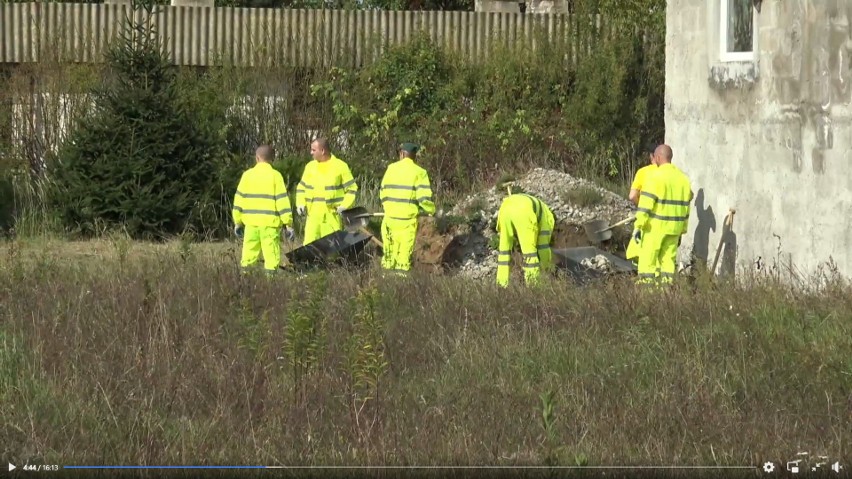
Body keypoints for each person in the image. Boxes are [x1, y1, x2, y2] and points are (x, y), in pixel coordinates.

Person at [632, 144, 692, 285]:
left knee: (648, 262)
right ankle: (665, 294)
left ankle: (648, 295)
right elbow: (686, 207)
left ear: (658, 157)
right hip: (674, 229)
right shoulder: (683, 179)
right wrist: (683, 228)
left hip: (655, 228)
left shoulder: (654, 177)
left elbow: (645, 206)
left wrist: (638, 226)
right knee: (668, 264)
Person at [232, 145, 295, 275]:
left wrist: (237, 221)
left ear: (257, 158)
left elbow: (238, 200)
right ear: (272, 159)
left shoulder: (247, 175)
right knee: (271, 258)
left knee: (248, 257)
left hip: (251, 224)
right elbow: (282, 201)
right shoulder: (275, 176)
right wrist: (288, 224)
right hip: (270, 225)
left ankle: (246, 283)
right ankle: (270, 286)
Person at [378, 142, 436, 275]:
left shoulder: (391, 168)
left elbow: (383, 193)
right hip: (407, 221)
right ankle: (400, 286)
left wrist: (389, 208)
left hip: (389, 220)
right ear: (413, 156)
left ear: (402, 154)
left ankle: (385, 283)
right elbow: (424, 198)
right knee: (403, 258)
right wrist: (431, 210)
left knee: (388, 255)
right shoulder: (419, 172)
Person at [295, 138, 358, 245]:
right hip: (313, 216)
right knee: (310, 247)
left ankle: (331, 262)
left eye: (314, 150)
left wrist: (344, 206)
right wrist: (300, 203)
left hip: (331, 216)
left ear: (322, 151)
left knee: (332, 248)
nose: (311, 153)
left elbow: (352, 189)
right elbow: (301, 188)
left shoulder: (340, 166)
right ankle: (310, 262)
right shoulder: (310, 167)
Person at [495, 191, 555, 287]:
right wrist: (547, 270)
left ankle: (501, 285)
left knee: (504, 252)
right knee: (530, 253)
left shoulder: (538, 206)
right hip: (523, 211)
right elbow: (543, 249)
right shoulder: (548, 220)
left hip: (505, 208)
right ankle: (534, 287)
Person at [626, 147, 658, 262]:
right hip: (666, 222)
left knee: (642, 253)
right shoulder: (672, 174)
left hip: (646, 220)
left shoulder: (644, 172)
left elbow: (632, 196)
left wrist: (641, 207)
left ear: (651, 156)